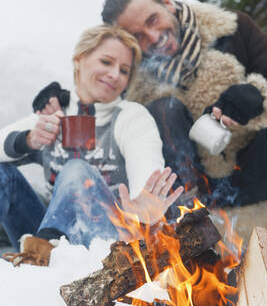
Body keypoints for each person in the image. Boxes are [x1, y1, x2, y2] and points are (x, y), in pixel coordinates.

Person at [32, 0, 267, 300]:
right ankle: (193, 244)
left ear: (167, 2)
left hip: (257, 170)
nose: (153, 38)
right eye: (139, 36)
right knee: (160, 107)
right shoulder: (135, 73)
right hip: (198, 191)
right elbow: (102, 99)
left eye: (153, 20)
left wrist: (260, 94)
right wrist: (61, 97)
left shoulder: (231, 30)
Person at [0, 24, 183, 266]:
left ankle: (42, 255)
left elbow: (145, 158)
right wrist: (27, 140)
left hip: (106, 241)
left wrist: (143, 201)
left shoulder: (130, 116)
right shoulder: (52, 115)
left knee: (77, 169)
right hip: (45, 242)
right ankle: (41, 254)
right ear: (79, 60)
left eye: (124, 70)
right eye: (106, 62)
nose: (115, 74)